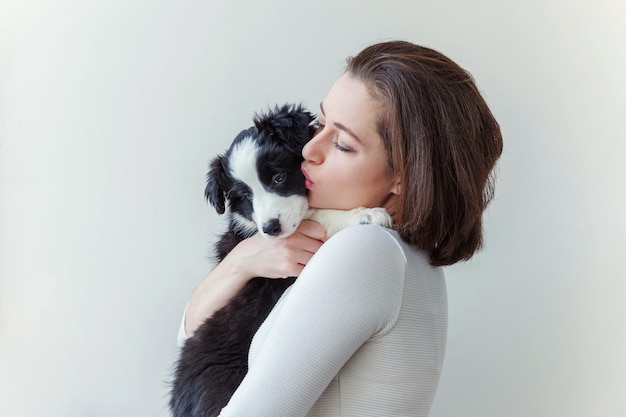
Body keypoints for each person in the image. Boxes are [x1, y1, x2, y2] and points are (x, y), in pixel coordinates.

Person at [178, 40, 503, 416]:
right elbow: (196, 348)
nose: (308, 151)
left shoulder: (367, 250)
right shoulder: (400, 254)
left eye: (343, 144)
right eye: (320, 124)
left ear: (405, 175)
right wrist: (241, 262)